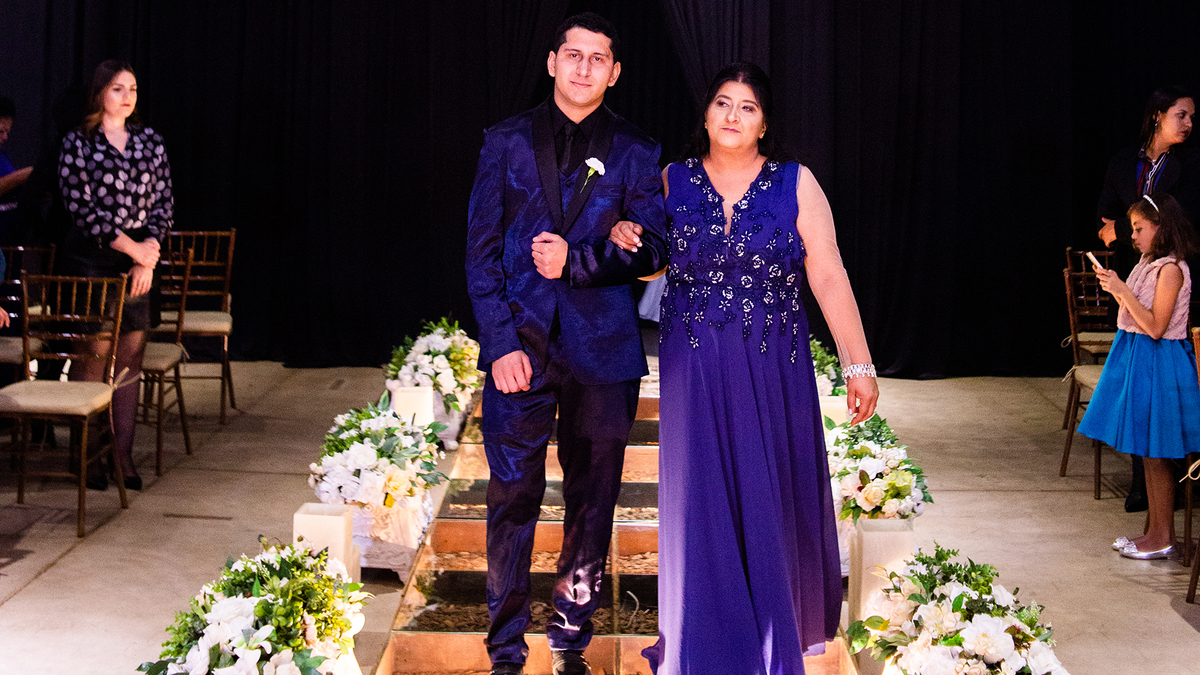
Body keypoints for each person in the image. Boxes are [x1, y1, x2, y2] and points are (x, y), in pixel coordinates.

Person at [610, 62, 878, 674]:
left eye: (747, 107)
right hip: (694, 369)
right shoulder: (673, 179)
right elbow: (653, 264)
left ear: (764, 123)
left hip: (772, 368)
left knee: (768, 495)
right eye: (723, 103)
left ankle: (769, 637)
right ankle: (701, 643)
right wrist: (629, 235)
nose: (733, 115)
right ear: (705, 114)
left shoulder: (795, 182)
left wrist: (857, 362)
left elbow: (828, 273)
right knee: (700, 500)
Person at [464, 13, 667, 675]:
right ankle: (504, 649)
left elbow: (655, 249)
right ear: (552, 62)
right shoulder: (504, 142)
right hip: (519, 352)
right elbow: (481, 253)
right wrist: (500, 345)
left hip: (603, 356)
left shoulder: (637, 150)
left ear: (615, 72)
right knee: (511, 498)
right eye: (573, 55)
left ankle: (570, 641)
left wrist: (584, 259)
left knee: (592, 501)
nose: (584, 68)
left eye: (597, 58)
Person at [58, 59, 174, 492]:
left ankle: (122, 452)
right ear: (100, 93)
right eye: (118, 89)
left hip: (139, 260)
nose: (127, 97)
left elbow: (164, 203)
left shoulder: (150, 141)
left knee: (129, 359)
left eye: (133, 89)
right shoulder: (78, 142)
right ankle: (88, 451)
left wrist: (147, 257)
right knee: (93, 355)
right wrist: (132, 249)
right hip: (93, 258)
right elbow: (82, 209)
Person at [1079, 192, 1200, 560]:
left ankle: (1162, 537)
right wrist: (1117, 288)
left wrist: (1122, 291)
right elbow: (1137, 312)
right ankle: (1155, 532)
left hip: (1160, 363)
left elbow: (1156, 326)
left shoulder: (1171, 269)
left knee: (1157, 454)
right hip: (1142, 357)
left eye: (1138, 228)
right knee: (1147, 453)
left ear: (1160, 227)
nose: (1132, 236)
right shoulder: (1150, 263)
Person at [1096, 86, 1197, 512]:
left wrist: (1123, 227)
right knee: (1137, 394)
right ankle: (1143, 485)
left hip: (1171, 279)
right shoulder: (1125, 162)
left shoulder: (1189, 165)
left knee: (1165, 398)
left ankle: (1173, 489)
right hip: (1136, 273)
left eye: (1191, 117)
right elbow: (1103, 220)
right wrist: (1128, 232)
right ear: (1158, 114)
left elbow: (1181, 217)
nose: (1188, 124)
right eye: (1181, 114)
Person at [0, 96, 32, 251]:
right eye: (1, 131)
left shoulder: (2, 155)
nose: (5, 137)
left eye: (7, 132)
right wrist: (26, 174)